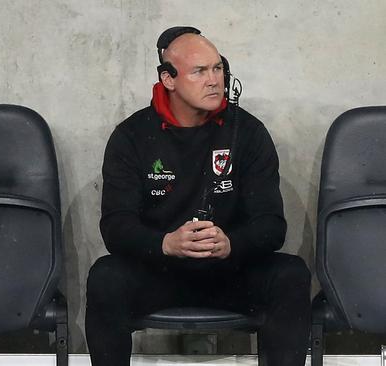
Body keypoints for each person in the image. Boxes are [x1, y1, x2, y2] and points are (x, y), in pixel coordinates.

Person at [85, 26, 311, 365]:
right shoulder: (131, 136)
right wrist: (166, 243)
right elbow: (116, 226)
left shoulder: (247, 132)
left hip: (230, 272)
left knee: (291, 274)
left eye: (218, 68)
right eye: (200, 71)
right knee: (105, 276)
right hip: (159, 271)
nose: (213, 80)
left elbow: (272, 225)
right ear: (169, 79)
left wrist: (230, 243)